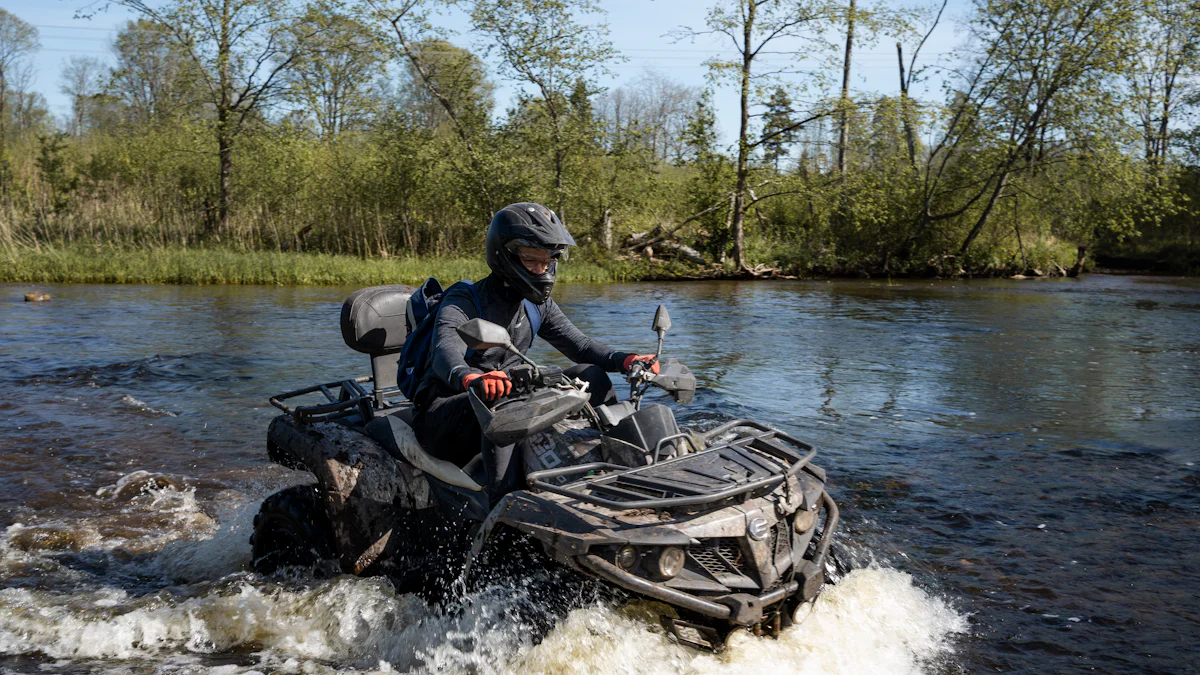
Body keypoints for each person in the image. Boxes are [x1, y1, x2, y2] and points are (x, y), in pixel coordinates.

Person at [410, 202, 657, 500]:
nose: (542, 269)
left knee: (589, 374)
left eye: (548, 260)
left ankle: (617, 469)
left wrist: (626, 360)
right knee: (504, 401)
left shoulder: (535, 304)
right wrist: (471, 377)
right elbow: (444, 350)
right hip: (446, 414)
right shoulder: (464, 299)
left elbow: (580, 346)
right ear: (504, 254)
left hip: (508, 402)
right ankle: (504, 509)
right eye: (531, 260)